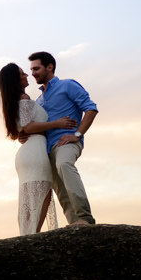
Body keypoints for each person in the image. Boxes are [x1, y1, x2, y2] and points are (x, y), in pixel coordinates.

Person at [0, 63, 76, 235]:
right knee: (42, 193)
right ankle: (32, 236)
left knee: (30, 197)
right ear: (15, 79)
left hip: (28, 152)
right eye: (22, 73)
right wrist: (57, 123)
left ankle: (28, 235)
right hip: (35, 151)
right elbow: (27, 126)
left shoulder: (14, 102)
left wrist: (23, 132)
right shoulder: (24, 99)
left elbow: (22, 128)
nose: (27, 75)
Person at [28, 51, 98, 225]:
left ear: (49, 67)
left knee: (64, 164)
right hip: (46, 149)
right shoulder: (39, 101)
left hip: (66, 142)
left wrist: (77, 135)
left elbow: (91, 109)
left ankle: (85, 218)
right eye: (31, 70)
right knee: (59, 187)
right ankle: (75, 223)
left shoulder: (68, 85)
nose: (33, 73)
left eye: (36, 68)